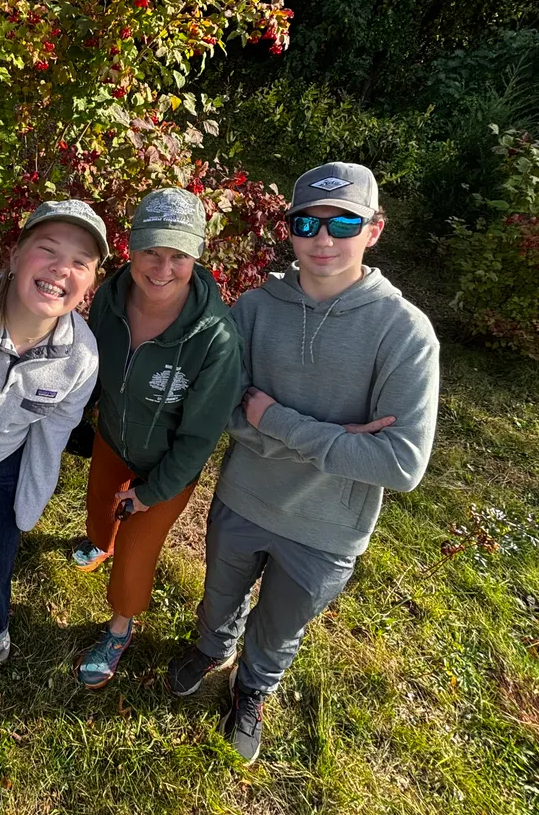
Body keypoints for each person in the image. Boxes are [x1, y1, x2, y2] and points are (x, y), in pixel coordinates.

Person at [164, 161, 440, 765]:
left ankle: (253, 689)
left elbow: (401, 463)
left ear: (374, 230)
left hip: (327, 528)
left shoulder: (405, 332)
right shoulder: (255, 309)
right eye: (307, 223)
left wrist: (275, 419)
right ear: (288, 228)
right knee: (219, 596)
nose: (323, 239)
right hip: (243, 498)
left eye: (344, 223)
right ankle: (212, 648)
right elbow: (219, 407)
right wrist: (338, 439)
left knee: (280, 627)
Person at [69, 187, 242, 689]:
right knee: (99, 509)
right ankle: (99, 543)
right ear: (131, 246)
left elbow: (199, 438)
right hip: (112, 438)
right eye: (151, 251)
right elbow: (92, 364)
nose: (163, 269)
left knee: (135, 556)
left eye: (179, 256)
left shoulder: (215, 339)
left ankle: (119, 629)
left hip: (167, 466)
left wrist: (152, 492)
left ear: (196, 257)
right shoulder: (110, 298)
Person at [0, 201, 105, 679]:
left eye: (80, 262)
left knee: (3, 551)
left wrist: (30, 504)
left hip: (9, 459)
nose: (61, 269)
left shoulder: (80, 356)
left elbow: (52, 434)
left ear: (91, 283)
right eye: (48, 250)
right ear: (15, 256)